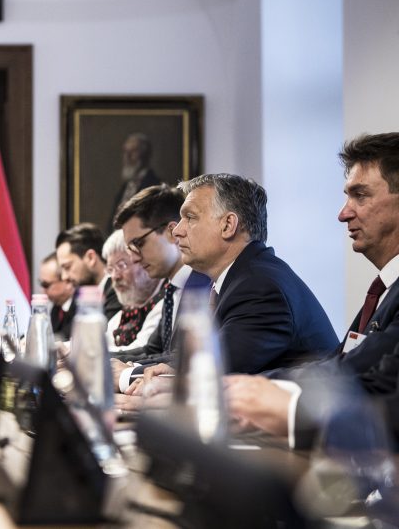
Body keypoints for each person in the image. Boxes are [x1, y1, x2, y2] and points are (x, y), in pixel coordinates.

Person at [225, 133, 399, 445]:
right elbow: (342, 362)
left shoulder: (260, 282)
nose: (343, 214)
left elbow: (380, 382)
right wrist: (246, 389)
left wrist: (283, 406)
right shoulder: (385, 289)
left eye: (360, 196)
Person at [171, 173, 337, 373]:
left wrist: (143, 375)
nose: (177, 231)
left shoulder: (259, 287)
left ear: (228, 225)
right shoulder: (245, 277)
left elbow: (208, 370)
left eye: (190, 217)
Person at [109, 184, 210, 392]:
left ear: (172, 232)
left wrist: (127, 372)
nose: (134, 258)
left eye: (138, 244)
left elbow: (185, 359)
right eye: (130, 248)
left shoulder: (205, 285)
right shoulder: (171, 288)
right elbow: (152, 350)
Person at [54, 223, 121, 338]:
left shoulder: (117, 290)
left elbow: (97, 339)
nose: (64, 277)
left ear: (91, 258)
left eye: (67, 267)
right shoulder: (80, 294)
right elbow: (67, 335)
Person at [101, 230, 161, 351]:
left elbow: (143, 349)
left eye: (121, 265)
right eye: (110, 269)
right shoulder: (123, 314)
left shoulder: (164, 302)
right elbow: (99, 343)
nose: (115, 276)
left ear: (143, 262)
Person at [111, 133, 161, 227]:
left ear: (145, 155)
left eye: (133, 151)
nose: (127, 156)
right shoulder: (125, 187)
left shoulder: (155, 185)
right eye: (125, 151)